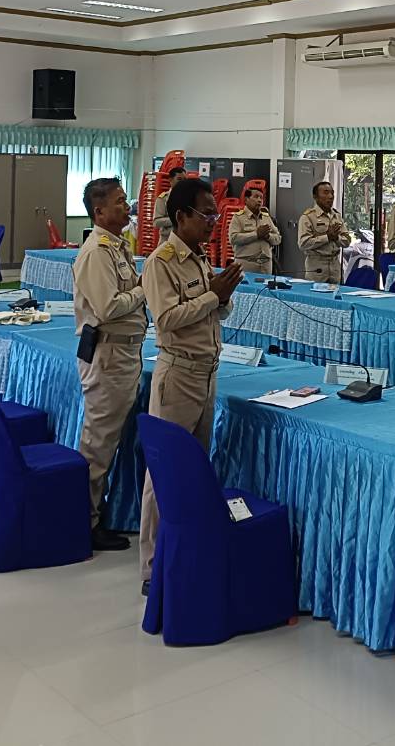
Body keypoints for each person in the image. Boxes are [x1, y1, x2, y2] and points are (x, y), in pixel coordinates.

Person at [139, 177, 244, 593]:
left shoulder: (200, 257)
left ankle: (185, 549)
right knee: (163, 472)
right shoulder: (161, 262)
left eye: (216, 216)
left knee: (196, 466)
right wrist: (212, 296)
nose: (213, 223)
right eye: (206, 215)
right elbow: (165, 319)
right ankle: (152, 566)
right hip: (178, 375)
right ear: (181, 216)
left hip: (207, 372)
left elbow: (214, 313)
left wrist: (223, 296)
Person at [73, 178, 147, 552]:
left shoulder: (117, 245)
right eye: (119, 202)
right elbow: (108, 307)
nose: (126, 206)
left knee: (108, 440)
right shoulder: (97, 252)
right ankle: (84, 522)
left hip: (124, 354)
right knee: (98, 445)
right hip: (108, 356)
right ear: (99, 211)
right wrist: (145, 289)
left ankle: (98, 513)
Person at [297, 181, 351, 284]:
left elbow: (347, 241)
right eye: (326, 193)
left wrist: (337, 238)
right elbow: (303, 244)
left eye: (332, 193)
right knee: (316, 293)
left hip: (335, 265)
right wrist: (327, 237)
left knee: (335, 293)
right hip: (317, 266)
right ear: (315, 197)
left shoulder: (337, 216)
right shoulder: (308, 217)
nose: (330, 196)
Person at [228, 185, 282, 275]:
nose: (259, 200)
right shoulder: (238, 217)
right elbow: (233, 238)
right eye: (256, 197)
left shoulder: (266, 217)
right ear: (246, 199)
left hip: (265, 265)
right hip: (246, 264)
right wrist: (256, 234)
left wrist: (268, 236)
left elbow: (278, 239)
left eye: (261, 198)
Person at [152, 166, 186, 245]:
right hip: (167, 240)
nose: (182, 182)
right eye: (179, 179)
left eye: (184, 180)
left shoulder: (188, 198)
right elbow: (156, 222)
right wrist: (176, 219)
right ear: (170, 180)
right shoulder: (163, 198)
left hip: (184, 241)